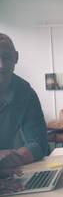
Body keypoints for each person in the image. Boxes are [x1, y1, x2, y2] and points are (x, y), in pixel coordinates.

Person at [0, 33, 49, 181]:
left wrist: (12, 159)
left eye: (6, 57)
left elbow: (39, 143)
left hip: (8, 175)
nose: (1, 65)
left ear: (16, 57)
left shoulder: (25, 91)